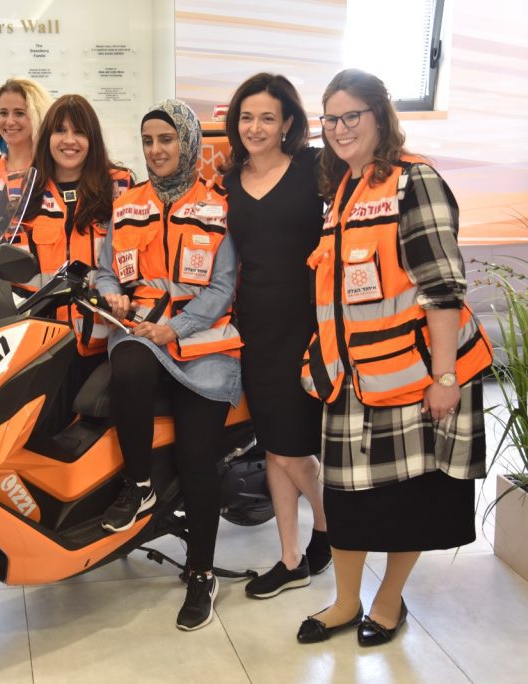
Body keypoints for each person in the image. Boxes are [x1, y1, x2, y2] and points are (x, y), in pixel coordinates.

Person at [296, 68, 492, 646]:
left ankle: (386, 603)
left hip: (418, 377)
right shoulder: (341, 193)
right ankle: (344, 602)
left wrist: (445, 375)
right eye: (330, 118)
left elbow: (442, 288)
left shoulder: (415, 182)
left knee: (412, 501)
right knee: (348, 503)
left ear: (381, 116)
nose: (338, 128)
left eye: (351, 115)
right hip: (354, 380)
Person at [95, 99, 242, 631]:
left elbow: (225, 287)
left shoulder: (218, 206)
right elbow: (105, 269)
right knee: (128, 365)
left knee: (197, 457)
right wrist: (111, 293)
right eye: (148, 141)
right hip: (142, 334)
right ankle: (139, 485)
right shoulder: (127, 203)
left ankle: (201, 573)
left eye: (166, 140)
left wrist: (175, 328)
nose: (156, 151)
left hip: (204, 343)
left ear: (187, 143)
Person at [219, 73, 330, 599]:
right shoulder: (227, 182)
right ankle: (291, 557)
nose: (255, 127)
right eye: (247, 117)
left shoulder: (313, 168)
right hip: (253, 327)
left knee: (291, 448)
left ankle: (332, 526)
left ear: (288, 122)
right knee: (275, 448)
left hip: (308, 325)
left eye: (267, 117)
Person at [19, 94, 132, 434]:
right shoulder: (25, 193)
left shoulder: (120, 186)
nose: (69, 141)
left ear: (92, 139)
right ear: (47, 138)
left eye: (79, 132)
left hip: (106, 346)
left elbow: (137, 259)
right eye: (60, 131)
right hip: (45, 348)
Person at [0, 77, 52, 176]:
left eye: (19, 113)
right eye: (3, 113)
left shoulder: (53, 171)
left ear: (38, 116)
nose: (9, 122)